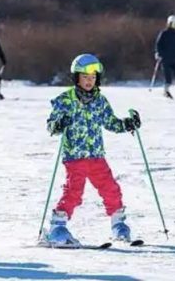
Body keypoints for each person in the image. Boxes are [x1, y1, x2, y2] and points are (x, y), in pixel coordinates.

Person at [44, 54, 142, 246]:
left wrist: (128, 124)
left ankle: (118, 225)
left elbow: (111, 123)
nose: (89, 81)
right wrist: (59, 123)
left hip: (97, 156)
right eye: (85, 77)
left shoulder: (100, 101)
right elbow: (51, 127)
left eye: (93, 77)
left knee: (111, 188)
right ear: (76, 78)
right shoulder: (65, 100)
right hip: (75, 157)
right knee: (74, 191)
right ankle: (57, 228)